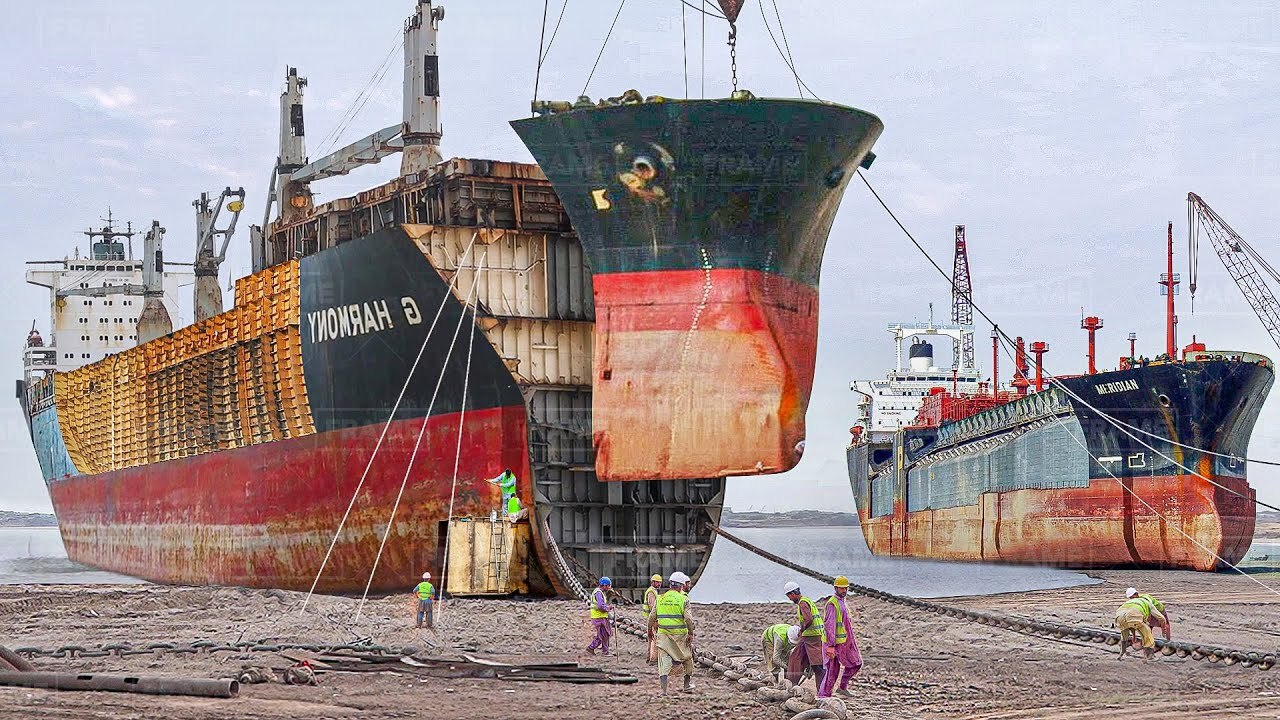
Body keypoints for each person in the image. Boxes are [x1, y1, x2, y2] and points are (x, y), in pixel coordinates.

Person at [650, 571, 696, 693]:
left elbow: (652, 616)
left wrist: (649, 630)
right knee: (687, 659)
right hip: (680, 635)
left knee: (663, 662)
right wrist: (691, 633)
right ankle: (686, 685)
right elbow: (688, 618)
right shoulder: (684, 599)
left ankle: (664, 690)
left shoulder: (660, 598)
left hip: (663, 635)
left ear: (670, 584)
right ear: (682, 586)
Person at [818, 576, 863, 698]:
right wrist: (830, 646)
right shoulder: (832, 604)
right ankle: (824, 696)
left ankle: (842, 688)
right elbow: (829, 626)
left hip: (845, 642)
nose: (844, 590)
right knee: (832, 670)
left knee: (856, 663)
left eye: (845, 588)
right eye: (841, 588)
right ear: (835, 588)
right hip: (833, 643)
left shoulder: (841, 601)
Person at [784, 581, 826, 689]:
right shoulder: (807, 600)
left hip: (811, 637)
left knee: (813, 663)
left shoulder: (802, 603)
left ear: (793, 593)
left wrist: (801, 630)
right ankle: (793, 683)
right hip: (814, 636)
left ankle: (792, 684)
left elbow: (809, 619)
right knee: (799, 658)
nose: (790, 599)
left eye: (789, 596)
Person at [1116, 587, 1166, 659]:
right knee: (1148, 634)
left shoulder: (1130, 602)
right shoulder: (1148, 603)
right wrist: (1163, 630)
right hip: (1133, 614)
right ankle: (1150, 656)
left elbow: (1130, 623)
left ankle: (1121, 654)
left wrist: (1134, 636)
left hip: (1119, 614)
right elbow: (1162, 618)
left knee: (1124, 635)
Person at [586, 577, 613, 655]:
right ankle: (593, 648)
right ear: (604, 585)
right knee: (603, 635)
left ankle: (604, 651)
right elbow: (601, 606)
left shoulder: (599, 592)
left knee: (604, 634)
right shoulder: (598, 593)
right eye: (608, 586)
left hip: (599, 616)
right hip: (599, 617)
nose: (609, 588)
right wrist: (608, 608)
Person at [643, 574, 663, 665]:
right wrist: (656, 619)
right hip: (652, 618)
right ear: (653, 582)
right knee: (655, 638)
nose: (659, 584)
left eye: (660, 582)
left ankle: (649, 657)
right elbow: (652, 606)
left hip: (651, 617)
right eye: (658, 582)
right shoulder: (651, 592)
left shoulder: (654, 591)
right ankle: (653, 659)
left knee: (651, 638)